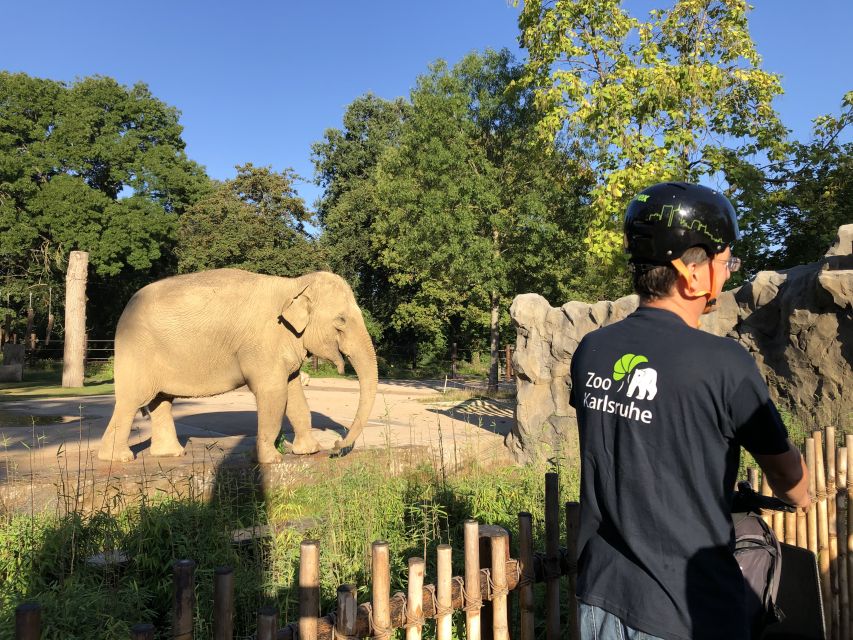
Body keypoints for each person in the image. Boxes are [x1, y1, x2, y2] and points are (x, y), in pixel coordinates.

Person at [569, 182, 811, 640]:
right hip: (687, 611)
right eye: (727, 261)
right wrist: (801, 495)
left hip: (600, 600)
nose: (730, 270)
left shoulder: (591, 351)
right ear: (692, 271)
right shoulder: (725, 363)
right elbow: (788, 479)